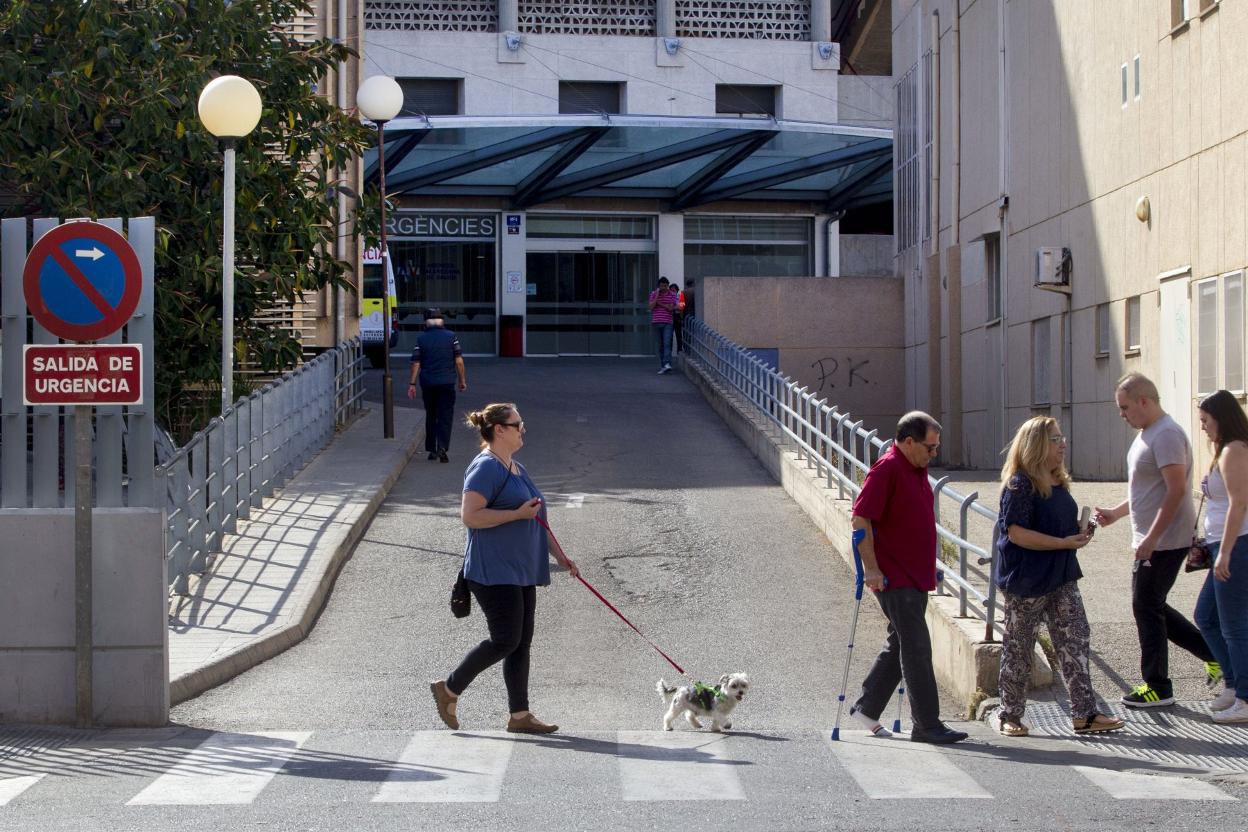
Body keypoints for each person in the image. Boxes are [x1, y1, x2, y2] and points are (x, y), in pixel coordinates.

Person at [430, 403, 580, 734]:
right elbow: (470, 516)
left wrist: (560, 556)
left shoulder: (515, 467)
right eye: (518, 424)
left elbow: (537, 517)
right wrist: (514, 515)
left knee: (520, 643)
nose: (523, 429)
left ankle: (519, 714)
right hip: (493, 571)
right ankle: (449, 689)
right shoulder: (485, 467)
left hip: (522, 569)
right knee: (505, 640)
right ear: (500, 429)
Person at [994, 417, 1124, 736]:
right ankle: (1010, 715)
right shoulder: (1020, 484)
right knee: (1019, 647)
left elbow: (1057, 527)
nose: (1062, 443)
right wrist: (1061, 543)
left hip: (1062, 575)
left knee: (1075, 640)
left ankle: (1085, 714)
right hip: (1027, 581)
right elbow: (1016, 533)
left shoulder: (1058, 480)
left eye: (1062, 437)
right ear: (1036, 444)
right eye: (1055, 439)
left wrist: (1080, 533)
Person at [1094, 372, 1217, 708]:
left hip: (1164, 541)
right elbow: (1147, 490)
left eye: (1125, 407)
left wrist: (1152, 537)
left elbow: (1176, 489)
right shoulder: (1149, 433)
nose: (1122, 414)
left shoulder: (1166, 435)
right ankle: (1213, 654)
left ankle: (1158, 686)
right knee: (1152, 605)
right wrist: (1116, 514)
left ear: (1144, 401)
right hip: (1154, 539)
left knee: (1146, 606)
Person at [848, 411, 968, 744]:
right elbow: (860, 519)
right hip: (893, 577)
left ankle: (866, 708)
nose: (934, 454)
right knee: (916, 646)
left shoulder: (916, 468)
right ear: (909, 441)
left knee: (901, 641)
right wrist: (872, 569)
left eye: (936, 448)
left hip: (914, 574)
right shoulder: (887, 468)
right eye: (930, 448)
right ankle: (927, 724)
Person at [1194, 390, 1248, 723]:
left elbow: (1239, 505)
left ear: (1221, 418)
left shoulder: (1234, 451)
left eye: (1205, 421)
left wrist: (1225, 553)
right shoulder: (1223, 450)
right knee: (1206, 617)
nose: (1202, 427)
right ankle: (1232, 684)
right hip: (1221, 545)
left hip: (1236, 546)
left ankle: (1244, 697)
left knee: (1233, 626)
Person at [407, 307, 467, 463]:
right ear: (442, 321)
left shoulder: (421, 339)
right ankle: (442, 447)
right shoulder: (451, 337)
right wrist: (462, 381)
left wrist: (412, 383)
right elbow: (459, 361)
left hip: (428, 383)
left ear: (426, 322)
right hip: (447, 383)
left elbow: (416, 363)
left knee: (431, 415)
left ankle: (432, 450)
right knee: (445, 416)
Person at [648, 276, 676, 374]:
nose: (663, 288)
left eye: (665, 286)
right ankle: (663, 366)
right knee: (661, 345)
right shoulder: (653, 294)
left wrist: (659, 304)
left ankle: (667, 363)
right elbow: (651, 307)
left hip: (668, 322)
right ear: (658, 286)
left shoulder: (672, 294)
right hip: (656, 322)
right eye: (661, 286)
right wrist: (656, 297)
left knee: (667, 343)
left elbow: (671, 308)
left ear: (668, 286)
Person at [670, 282, 686, 354]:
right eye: (671, 290)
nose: (672, 292)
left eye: (674, 290)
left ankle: (679, 351)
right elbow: (669, 308)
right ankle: (669, 351)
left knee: (678, 335)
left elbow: (681, 307)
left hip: (677, 317)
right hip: (670, 317)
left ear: (677, 290)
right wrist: (675, 307)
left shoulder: (680, 296)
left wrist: (673, 307)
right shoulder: (668, 298)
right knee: (669, 335)